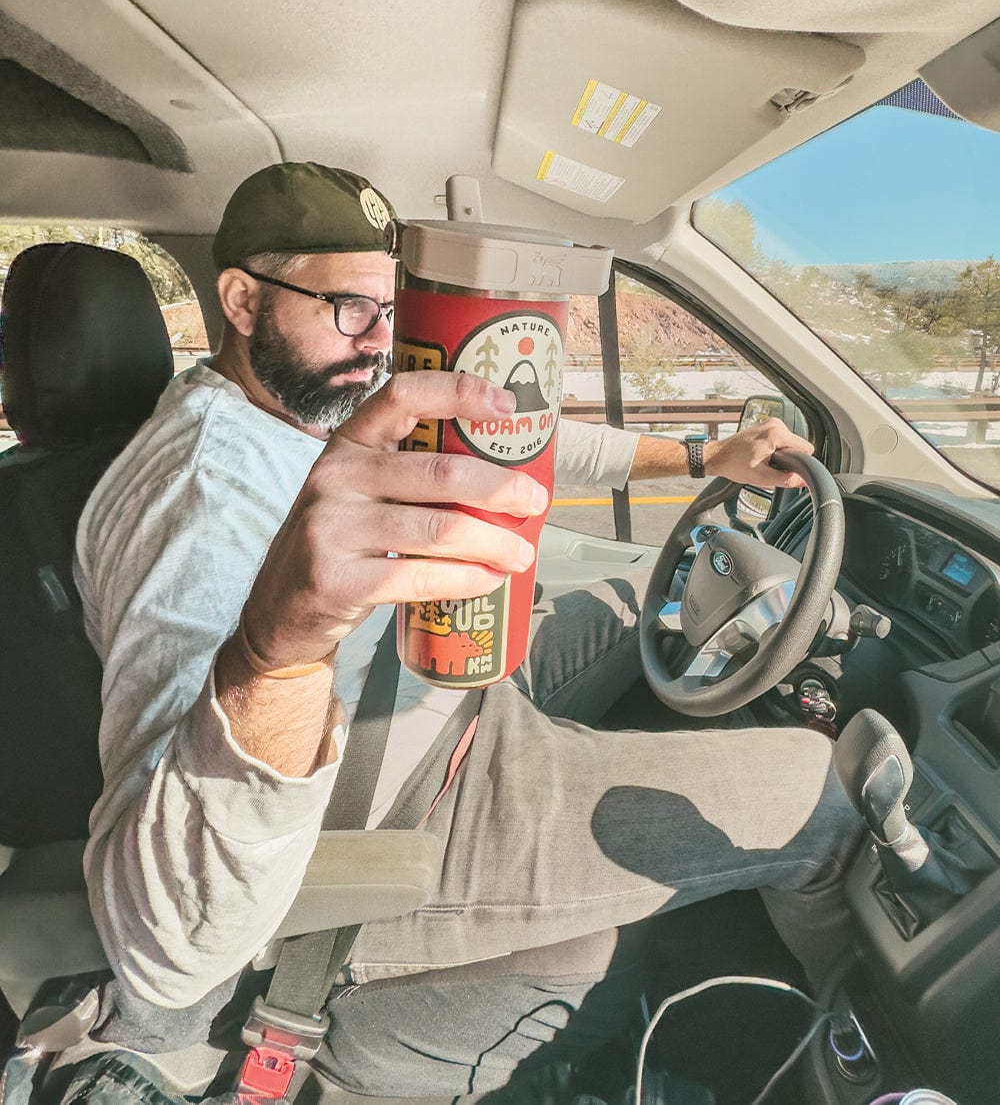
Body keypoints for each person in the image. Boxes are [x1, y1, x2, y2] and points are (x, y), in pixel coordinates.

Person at [69, 163, 860, 1098]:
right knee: (829, 797)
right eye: (349, 309)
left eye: (392, 313)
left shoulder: (291, 408)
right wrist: (278, 654)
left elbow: (512, 442)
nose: (379, 346)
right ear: (243, 300)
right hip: (389, 801)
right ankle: (865, 1043)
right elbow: (162, 949)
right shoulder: (208, 500)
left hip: (418, 689)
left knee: (628, 600)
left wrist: (696, 456)